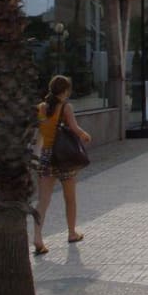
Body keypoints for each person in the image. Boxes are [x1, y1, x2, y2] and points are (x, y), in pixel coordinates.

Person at [32, 75, 91, 255]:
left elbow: (39, 135)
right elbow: (73, 127)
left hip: (46, 156)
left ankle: (37, 237)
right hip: (63, 157)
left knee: (43, 200)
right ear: (65, 91)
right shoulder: (66, 107)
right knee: (69, 197)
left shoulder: (40, 108)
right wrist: (85, 135)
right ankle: (72, 232)